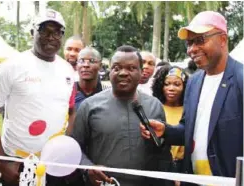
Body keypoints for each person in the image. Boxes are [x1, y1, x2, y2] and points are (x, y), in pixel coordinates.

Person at [0, 9, 83, 186]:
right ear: (33, 32)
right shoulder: (12, 66)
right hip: (17, 163)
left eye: (57, 32)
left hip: (53, 163)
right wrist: (1, 162)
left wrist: (65, 143)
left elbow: (71, 111)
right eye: (45, 30)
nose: (51, 37)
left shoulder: (67, 70)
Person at [141, 11, 243, 183]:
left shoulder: (240, 79)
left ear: (223, 40)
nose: (192, 49)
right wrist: (166, 131)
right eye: (189, 43)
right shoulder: (194, 81)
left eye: (200, 40)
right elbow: (189, 130)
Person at [71, 45, 172, 186]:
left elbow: (164, 151)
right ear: (109, 71)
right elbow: (75, 148)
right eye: (117, 68)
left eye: (131, 68)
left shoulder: (155, 106)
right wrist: (88, 168)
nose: (123, 73)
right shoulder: (89, 106)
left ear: (141, 72)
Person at [152, 66, 189, 186]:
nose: (171, 88)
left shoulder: (189, 110)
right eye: (167, 84)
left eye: (177, 84)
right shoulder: (155, 108)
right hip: (159, 167)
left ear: (184, 87)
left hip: (184, 167)